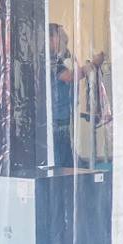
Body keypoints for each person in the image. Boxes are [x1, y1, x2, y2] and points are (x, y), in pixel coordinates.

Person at [48, 23, 101, 165]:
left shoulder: (57, 59)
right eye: (60, 37)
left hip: (62, 120)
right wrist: (91, 65)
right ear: (50, 40)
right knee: (62, 163)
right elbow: (70, 76)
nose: (63, 42)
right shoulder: (49, 59)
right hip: (57, 122)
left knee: (68, 160)